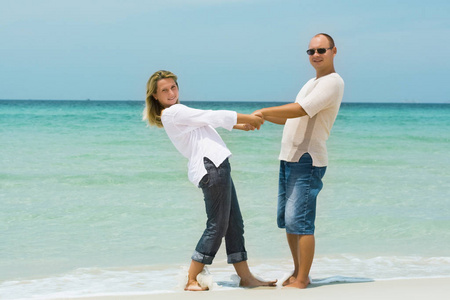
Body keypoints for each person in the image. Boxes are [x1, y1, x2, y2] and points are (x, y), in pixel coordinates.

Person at [143, 70, 277, 291]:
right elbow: (212, 115)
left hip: (216, 165)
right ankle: (191, 279)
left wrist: (240, 126)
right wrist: (247, 118)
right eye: (164, 90)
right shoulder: (173, 112)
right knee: (217, 225)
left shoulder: (180, 114)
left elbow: (205, 125)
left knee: (234, 224)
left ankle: (246, 277)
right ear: (155, 96)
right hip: (211, 167)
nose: (170, 92)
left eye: (173, 87)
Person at [253, 33, 344, 289]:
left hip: (307, 160)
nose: (316, 55)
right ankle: (297, 271)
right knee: (290, 221)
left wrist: (262, 111)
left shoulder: (333, 82)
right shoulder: (310, 83)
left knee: (302, 221)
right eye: (311, 51)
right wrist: (259, 120)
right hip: (289, 158)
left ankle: (302, 279)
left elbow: (301, 109)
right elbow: (292, 115)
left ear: (334, 51)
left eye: (321, 50)